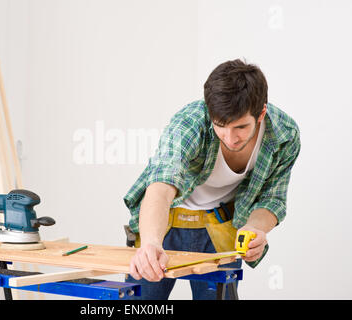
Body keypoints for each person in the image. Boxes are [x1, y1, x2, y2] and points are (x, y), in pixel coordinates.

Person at [123, 59, 301, 300]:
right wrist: (151, 244)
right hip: (163, 225)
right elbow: (160, 186)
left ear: (261, 113)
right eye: (220, 126)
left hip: (220, 229)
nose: (230, 138)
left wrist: (255, 228)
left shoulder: (284, 134)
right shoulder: (188, 123)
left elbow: (272, 198)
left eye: (240, 127)